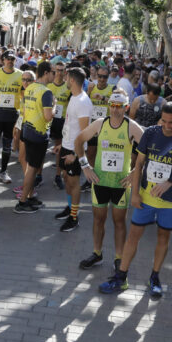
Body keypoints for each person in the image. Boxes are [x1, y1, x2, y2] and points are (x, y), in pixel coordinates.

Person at [99, 102, 172, 298]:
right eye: (164, 121)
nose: (167, 126)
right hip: (145, 197)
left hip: (170, 201)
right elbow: (139, 164)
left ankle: (155, 277)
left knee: (163, 238)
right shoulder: (151, 133)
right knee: (133, 236)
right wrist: (135, 193)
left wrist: (170, 182)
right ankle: (121, 277)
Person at [76, 90, 144, 269]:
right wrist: (85, 166)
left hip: (121, 184)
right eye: (112, 106)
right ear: (108, 106)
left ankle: (119, 257)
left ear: (126, 107)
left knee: (119, 221)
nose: (115, 110)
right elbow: (79, 140)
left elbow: (150, 151)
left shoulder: (131, 126)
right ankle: (97, 253)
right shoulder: (100, 124)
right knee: (98, 219)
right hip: (99, 181)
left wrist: (135, 172)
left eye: (119, 107)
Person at [55, 67, 93, 232]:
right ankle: (70, 208)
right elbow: (70, 124)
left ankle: (74, 217)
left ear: (72, 80)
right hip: (66, 146)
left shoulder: (83, 102)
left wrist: (74, 154)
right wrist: (62, 144)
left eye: (66, 76)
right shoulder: (74, 97)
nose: (64, 77)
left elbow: (85, 133)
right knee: (66, 179)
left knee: (74, 183)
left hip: (74, 151)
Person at [15, 62, 56, 213]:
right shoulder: (46, 92)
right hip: (38, 134)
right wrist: (55, 107)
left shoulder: (30, 88)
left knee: (31, 167)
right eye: (53, 72)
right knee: (32, 169)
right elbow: (47, 117)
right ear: (46, 73)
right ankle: (22, 202)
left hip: (27, 130)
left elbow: (25, 111)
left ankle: (30, 196)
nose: (55, 75)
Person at [0, 50, 22, 185]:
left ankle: (3, 171)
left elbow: (23, 96)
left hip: (12, 114)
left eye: (13, 59)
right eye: (7, 58)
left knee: (8, 145)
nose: (10, 61)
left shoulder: (20, 75)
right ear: (2, 60)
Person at [49, 62, 71, 189]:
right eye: (57, 70)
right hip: (48, 120)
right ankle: (39, 176)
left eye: (62, 70)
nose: (59, 72)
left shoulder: (68, 87)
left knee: (59, 149)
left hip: (61, 121)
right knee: (42, 149)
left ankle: (58, 176)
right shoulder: (48, 85)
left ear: (65, 72)